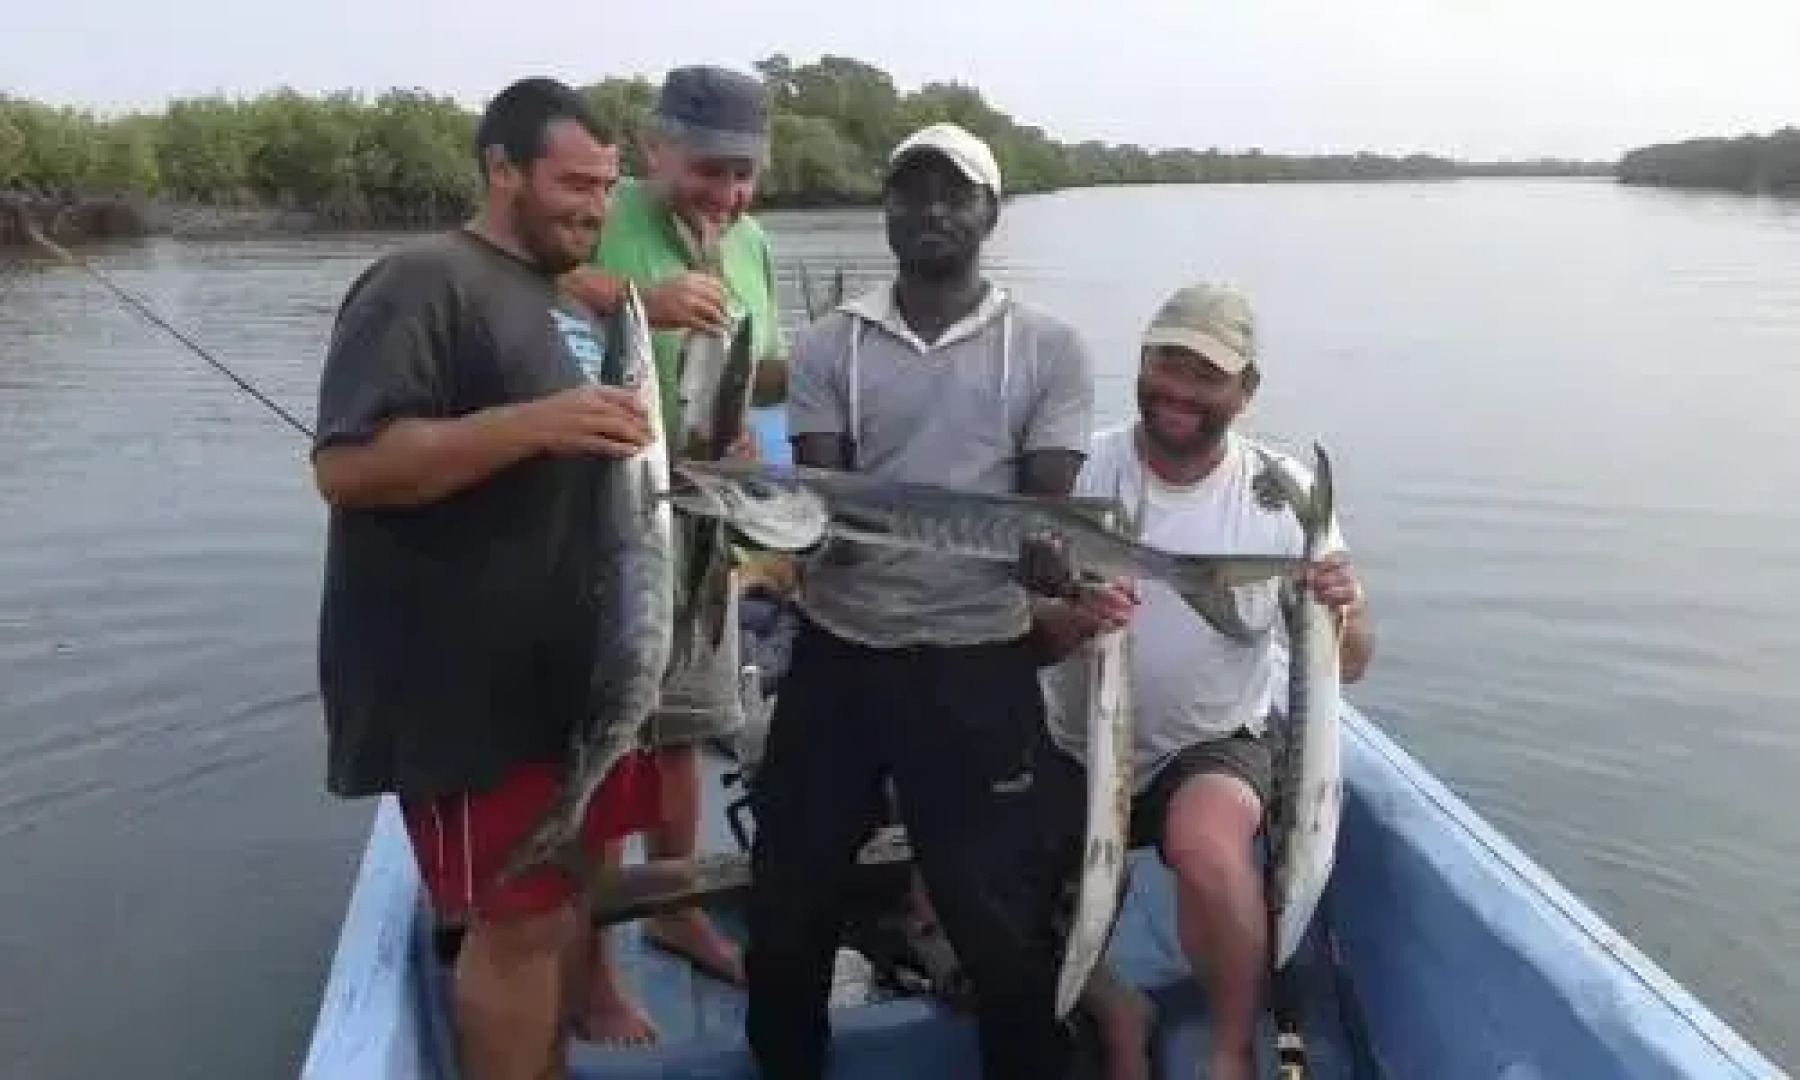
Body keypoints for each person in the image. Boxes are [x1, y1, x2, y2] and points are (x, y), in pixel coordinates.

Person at [744, 121, 1118, 1080]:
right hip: (840, 653)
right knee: (788, 912)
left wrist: (1051, 565)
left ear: (991, 212)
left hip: (977, 664)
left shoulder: (1049, 349)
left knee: (1000, 920)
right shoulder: (832, 344)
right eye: (912, 192)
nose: (932, 211)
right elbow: (823, 505)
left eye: (954, 193)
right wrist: (772, 530)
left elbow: (1049, 507)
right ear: (888, 210)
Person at [308, 77, 666, 1080]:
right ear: (500, 168)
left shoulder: (558, 300)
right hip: (462, 693)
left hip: (567, 681)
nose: (594, 208)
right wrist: (540, 424)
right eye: (572, 184)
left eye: (606, 188)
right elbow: (347, 465)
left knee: (558, 909)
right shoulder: (422, 280)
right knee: (513, 931)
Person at [1031, 281, 1376, 1080]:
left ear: (1245, 391)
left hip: (1212, 740)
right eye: (1165, 364)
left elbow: (1352, 661)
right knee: (981, 890)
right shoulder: (1076, 469)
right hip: (1070, 739)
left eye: (1206, 375)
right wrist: (1072, 618)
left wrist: (1343, 610)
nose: (1179, 391)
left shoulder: (1283, 495)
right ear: (1141, 362)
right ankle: (1116, 1004)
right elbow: (1022, 642)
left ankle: (1228, 1055)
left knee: (1211, 848)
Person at [559, 63, 786, 1039]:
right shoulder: (602, 216)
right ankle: (595, 961)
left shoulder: (756, 242)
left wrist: (757, 407)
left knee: (687, 726)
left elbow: (762, 369)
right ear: (656, 149)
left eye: (743, 176)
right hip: (604, 524)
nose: (727, 195)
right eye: (708, 170)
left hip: (707, 514)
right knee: (613, 733)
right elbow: (530, 281)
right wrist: (642, 298)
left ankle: (681, 911)